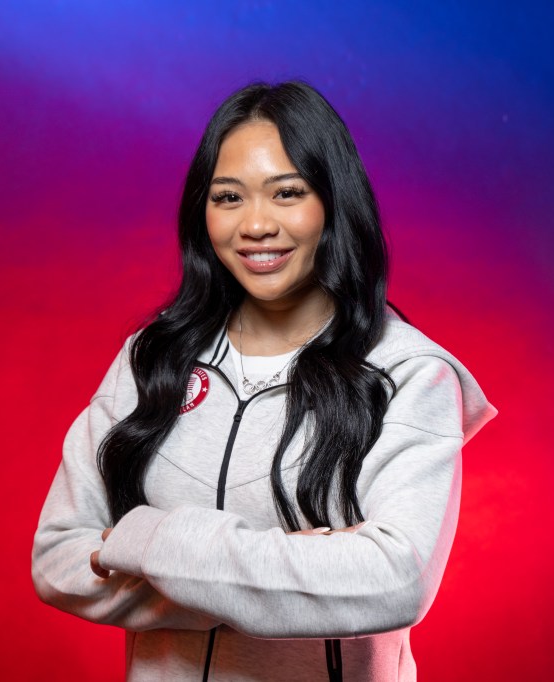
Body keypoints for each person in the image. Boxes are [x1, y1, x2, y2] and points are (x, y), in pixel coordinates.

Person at [32, 81, 496, 681]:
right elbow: (57, 557)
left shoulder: (408, 375)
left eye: (287, 193)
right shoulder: (154, 359)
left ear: (332, 203)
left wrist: (139, 540)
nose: (255, 224)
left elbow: (394, 581)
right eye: (228, 197)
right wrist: (302, 573)